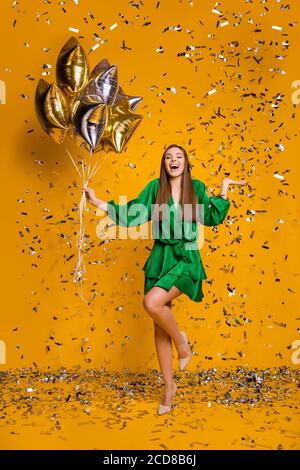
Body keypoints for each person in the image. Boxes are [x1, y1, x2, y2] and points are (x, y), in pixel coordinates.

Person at [83, 144, 247, 415]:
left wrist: (224, 187)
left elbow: (212, 216)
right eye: (169, 157)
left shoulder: (196, 187)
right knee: (159, 326)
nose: (174, 160)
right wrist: (97, 201)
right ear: (164, 163)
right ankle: (169, 388)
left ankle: (182, 343)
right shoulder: (154, 188)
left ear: (185, 162)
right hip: (160, 257)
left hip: (185, 257)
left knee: (152, 303)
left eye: (178, 156)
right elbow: (131, 214)